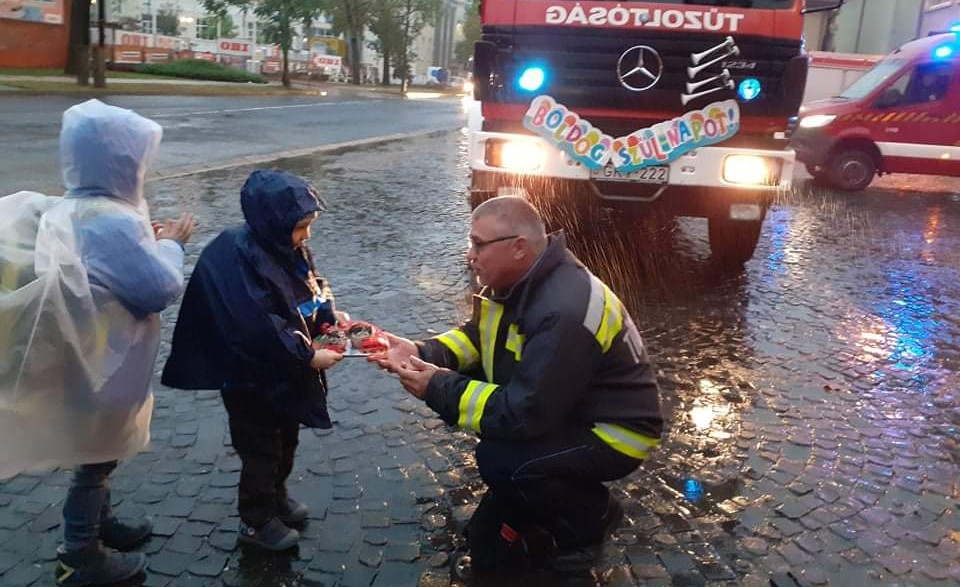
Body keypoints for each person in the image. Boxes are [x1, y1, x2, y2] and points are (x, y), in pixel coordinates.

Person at [369, 196, 664, 575]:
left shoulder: (562, 310)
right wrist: (422, 350)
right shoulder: (525, 279)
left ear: (518, 247)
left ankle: (590, 518)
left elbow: (524, 415)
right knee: (502, 470)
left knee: (503, 461)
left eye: (478, 244)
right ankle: (541, 502)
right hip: (571, 409)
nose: (469, 255)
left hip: (617, 432)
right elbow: (480, 337)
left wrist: (437, 386)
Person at [0, 99, 195, 586]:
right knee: (96, 458)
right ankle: (79, 554)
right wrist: (172, 243)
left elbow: (102, 268)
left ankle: (100, 525)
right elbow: (157, 288)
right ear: (124, 161)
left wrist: (143, 244)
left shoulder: (74, 205)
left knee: (98, 451)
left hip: (79, 354)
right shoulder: (113, 219)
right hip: (103, 361)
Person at [161, 169, 344, 551]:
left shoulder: (287, 248)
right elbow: (255, 325)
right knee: (260, 448)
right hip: (247, 379)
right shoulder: (235, 254)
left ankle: (276, 497)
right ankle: (256, 519)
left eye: (308, 226)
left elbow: (311, 285)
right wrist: (308, 356)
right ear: (275, 223)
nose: (306, 236)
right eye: (300, 227)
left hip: (283, 373)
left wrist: (327, 315)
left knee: (287, 438)